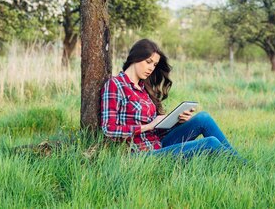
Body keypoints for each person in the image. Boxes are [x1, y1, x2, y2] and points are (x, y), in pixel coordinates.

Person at [101, 38, 240, 159]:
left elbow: (156, 130)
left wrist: (176, 121)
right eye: (148, 62)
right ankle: (241, 166)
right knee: (210, 143)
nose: (151, 68)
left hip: (159, 145)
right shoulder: (115, 85)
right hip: (139, 154)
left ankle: (241, 164)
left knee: (203, 118)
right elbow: (109, 129)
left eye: (154, 64)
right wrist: (148, 126)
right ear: (135, 57)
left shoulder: (144, 88)